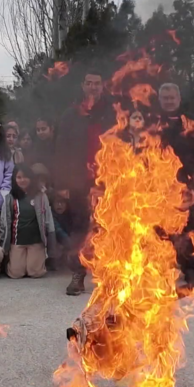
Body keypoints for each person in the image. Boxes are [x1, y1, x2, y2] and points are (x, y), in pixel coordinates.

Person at [56, 69, 114, 295]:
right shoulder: (71, 115)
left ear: (103, 85)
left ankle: (111, 276)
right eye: (89, 83)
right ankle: (78, 273)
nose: (93, 87)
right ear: (83, 85)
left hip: (110, 181)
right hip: (79, 182)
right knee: (80, 228)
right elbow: (61, 150)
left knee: (110, 228)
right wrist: (61, 182)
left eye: (97, 83)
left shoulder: (112, 113)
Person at [159, 82, 194, 279]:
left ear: (178, 99)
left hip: (187, 184)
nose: (169, 101)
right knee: (161, 229)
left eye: (172, 98)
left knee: (190, 227)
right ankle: (164, 271)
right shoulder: (152, 122)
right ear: (160, 100)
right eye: (165, 98)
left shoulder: (192, 122)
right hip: (160, 184)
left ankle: (189, 270)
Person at [0, 165, 56, 279]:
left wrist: (51, 238)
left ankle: (35, 261)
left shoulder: (40, 195)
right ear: (14, 179)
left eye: (25, 177)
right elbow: (4, 221)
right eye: (19, 177)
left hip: (36, 240)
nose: (22, 180)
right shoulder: (10, 197)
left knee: (35, 273)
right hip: (17, 240)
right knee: (16, 274)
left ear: (31, 178)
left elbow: (48, 218)